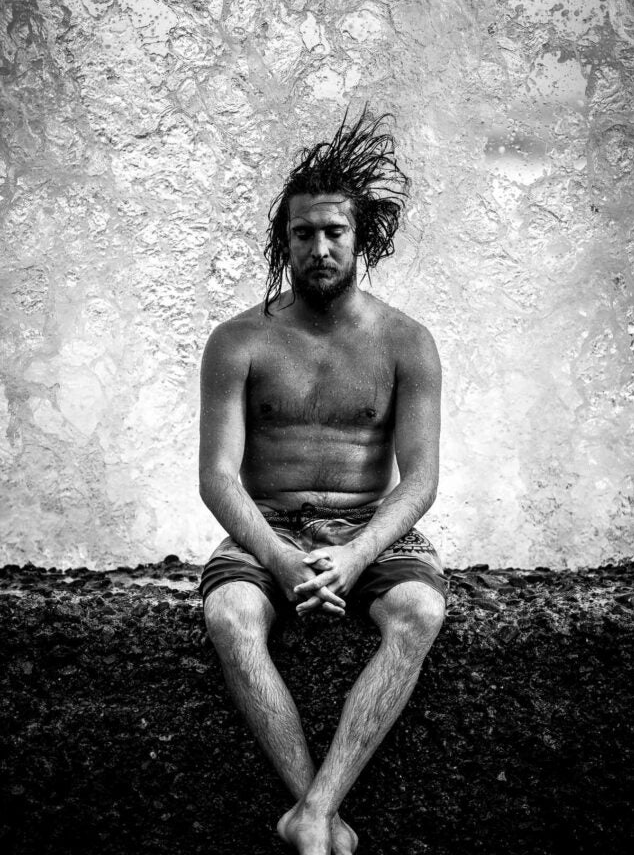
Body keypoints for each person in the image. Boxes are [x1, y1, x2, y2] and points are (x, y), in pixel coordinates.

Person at [198, 108, 447, 855]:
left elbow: (422, 477)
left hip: (367, 525)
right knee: (228, 617)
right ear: (286, 240)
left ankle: (314, 811)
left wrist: (357, 554)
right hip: (266, 522)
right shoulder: (239, 340)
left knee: (419, 612)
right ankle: (318, 814)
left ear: (359, 236)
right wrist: (278, 560)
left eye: (333, 231)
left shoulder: (406, 341)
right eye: (302, 233)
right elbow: (216, 477)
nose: (318, 246)